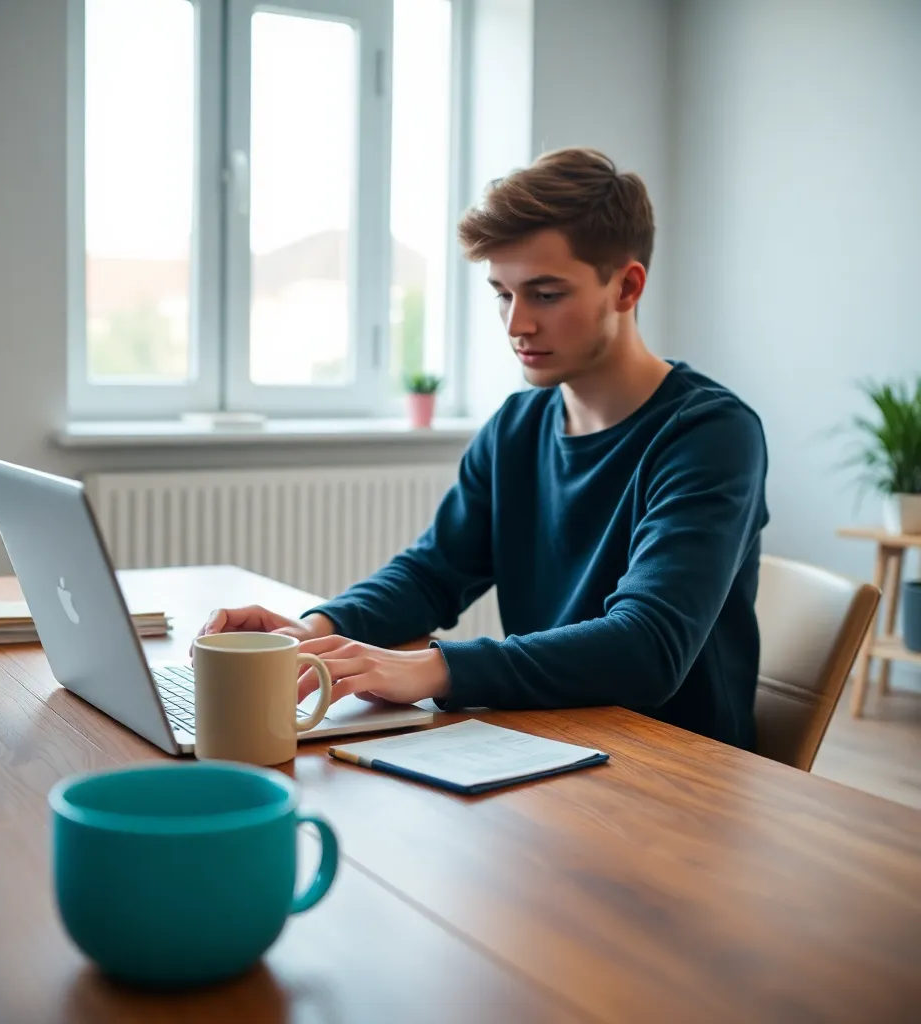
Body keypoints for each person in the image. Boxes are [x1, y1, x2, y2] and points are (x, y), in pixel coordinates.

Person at [195, 148, 769, 750]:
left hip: (674, 770)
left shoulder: (710, 434)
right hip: (553, 739)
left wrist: (431, 667)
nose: (517, 324)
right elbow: (431, 573)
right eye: (503, 293)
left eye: (546, 295)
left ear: (626, 287)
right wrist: (312, 634)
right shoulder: (518, 425)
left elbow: (647, 647)